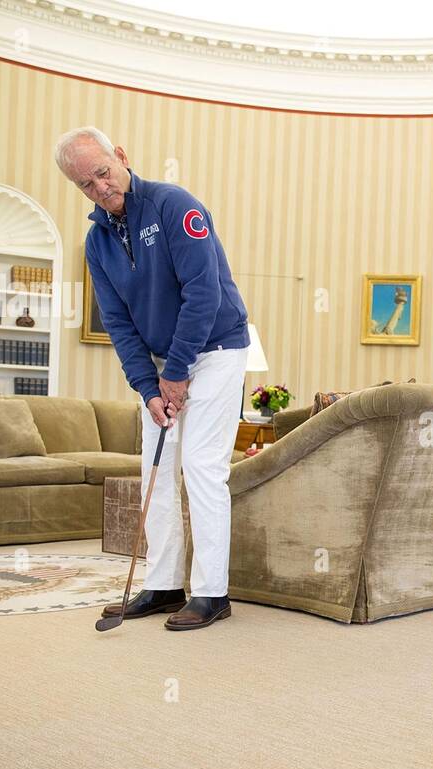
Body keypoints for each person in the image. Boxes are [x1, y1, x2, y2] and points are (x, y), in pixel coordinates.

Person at [54, 127, 250, 631]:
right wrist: (149, 388)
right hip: (164, 366)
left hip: (218, 350)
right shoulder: (97, 242)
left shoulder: (173, 204)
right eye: (85, 184)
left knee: (202, 466)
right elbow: (119, 323)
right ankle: (163, 584)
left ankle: (212, 593)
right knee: (158, 472)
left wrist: (179, 373)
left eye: (102, 172)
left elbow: (203, 294)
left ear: (120, 156)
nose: (99, 187)